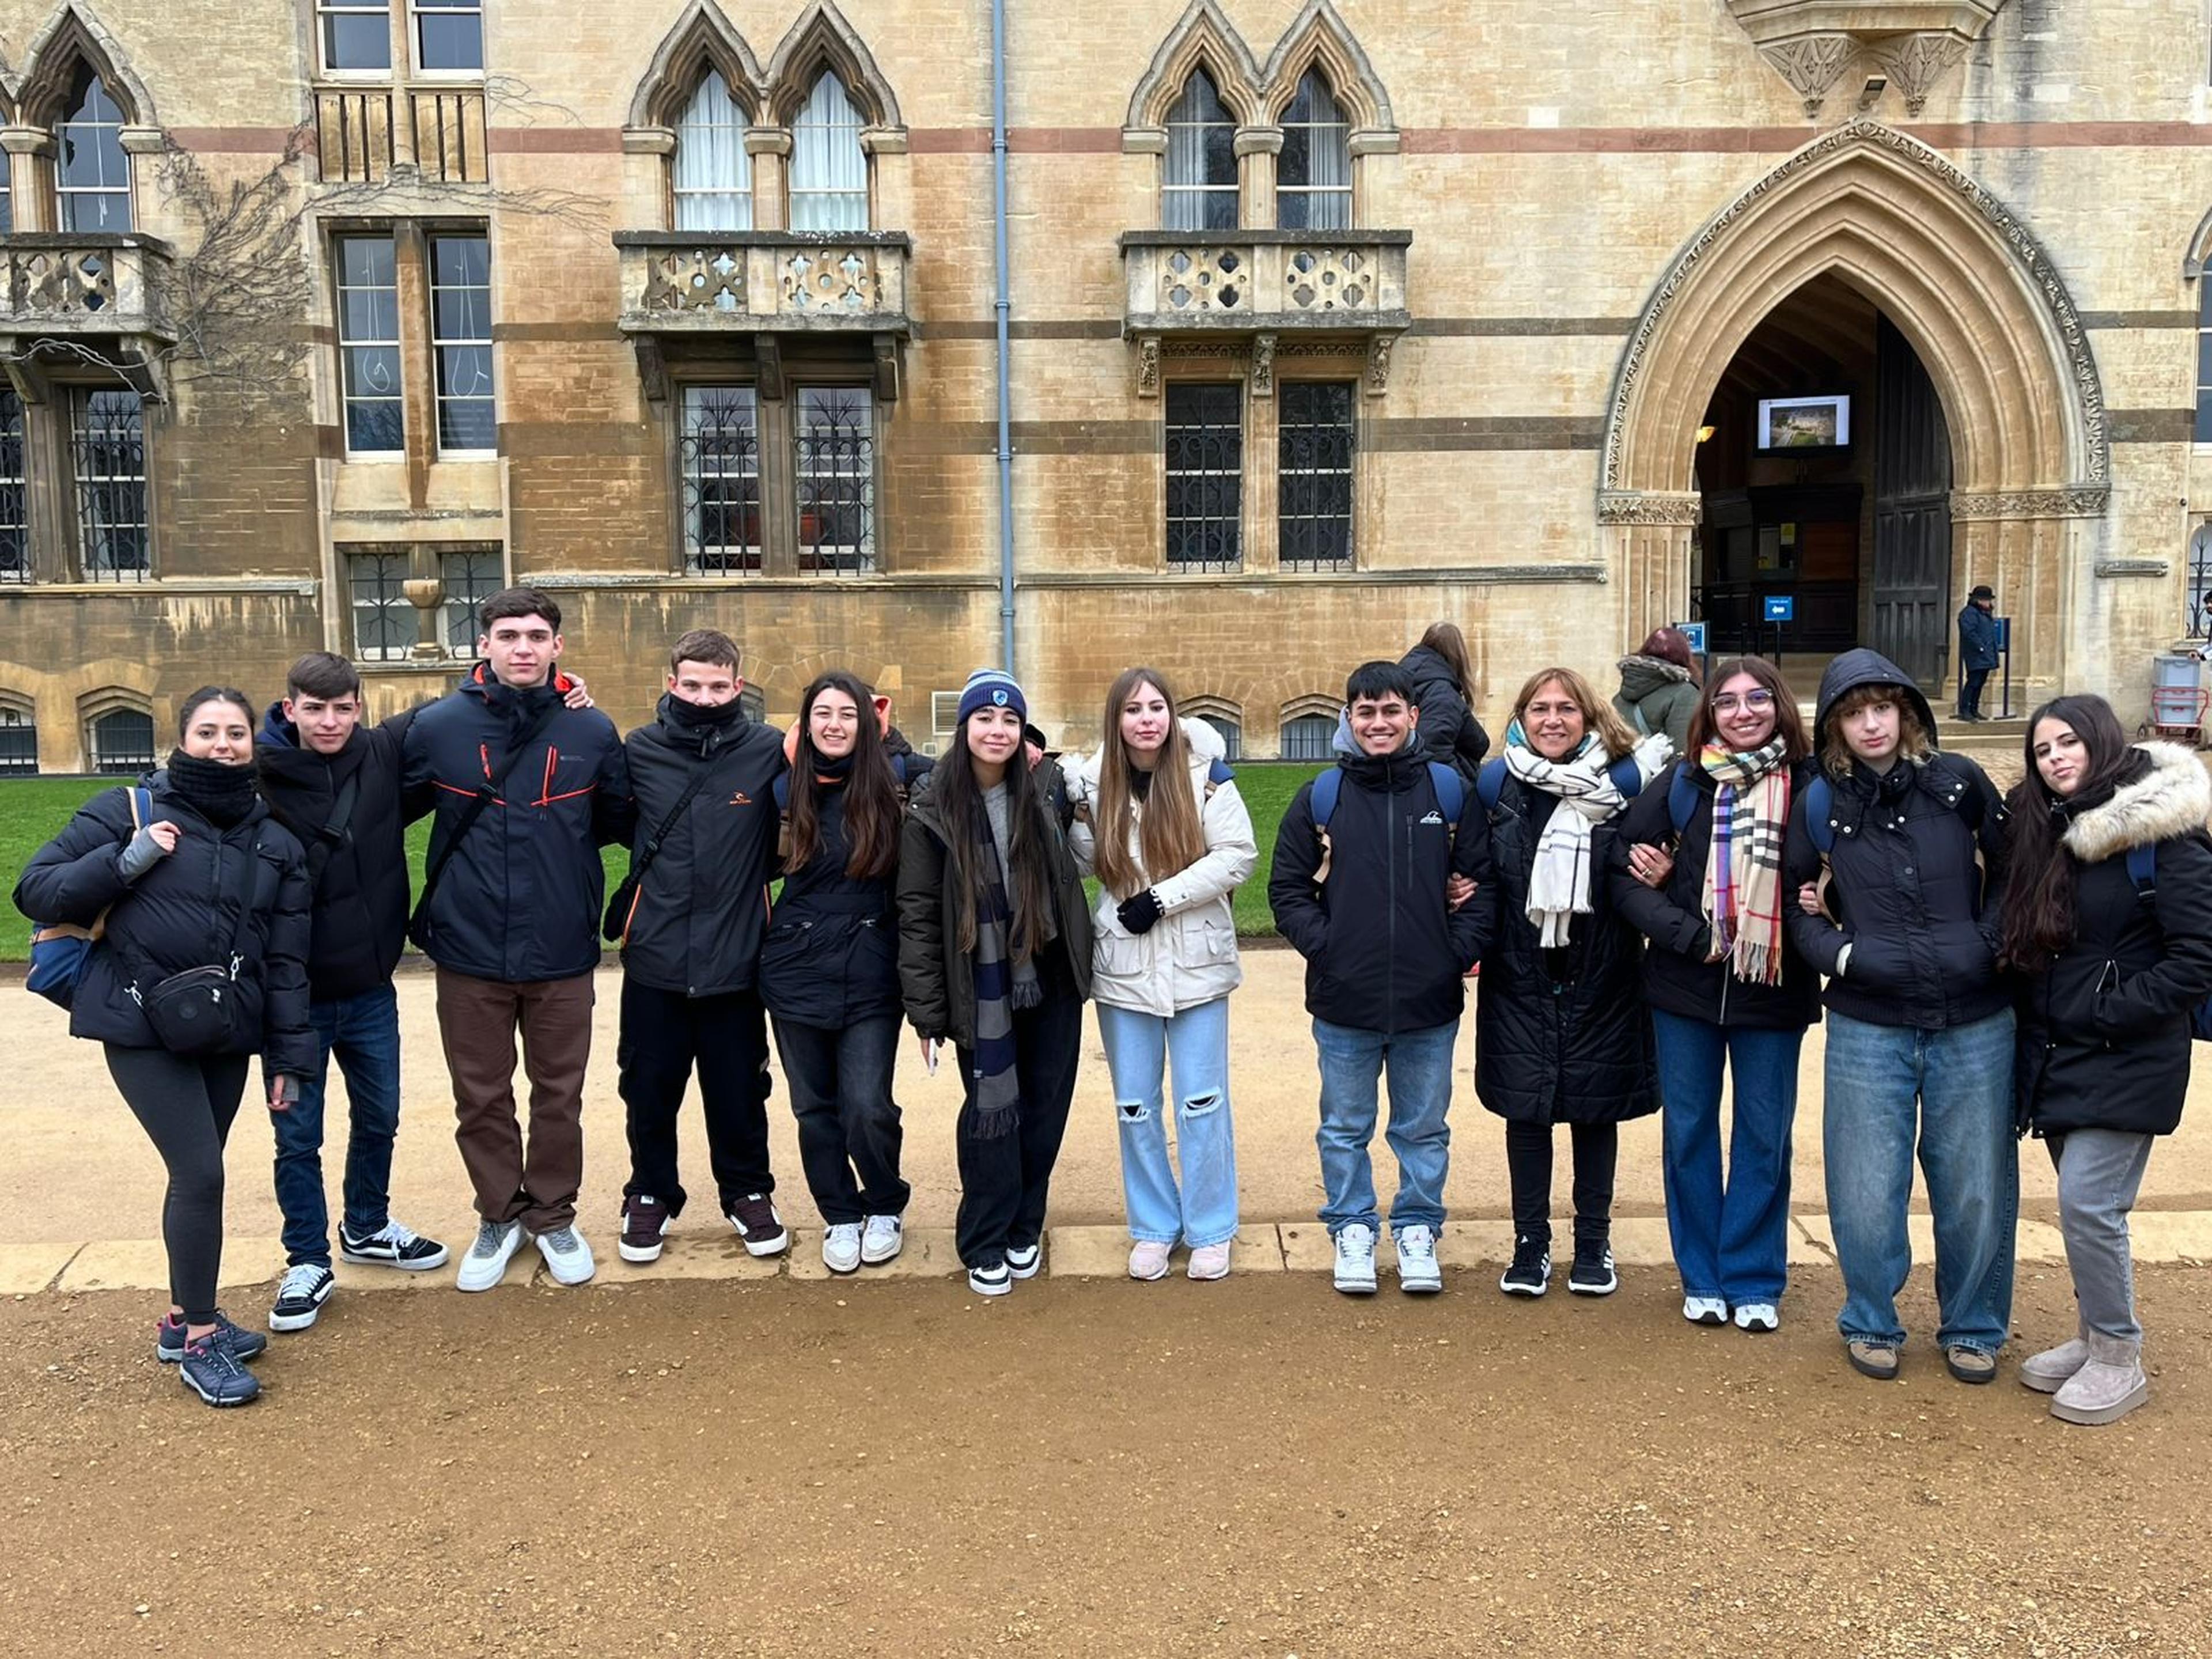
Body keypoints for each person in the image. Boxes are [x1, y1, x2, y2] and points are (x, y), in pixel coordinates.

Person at [15, 688, 314, 1408]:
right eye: (208, 731)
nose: (223, 744)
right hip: (140, 1024)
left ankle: (183, 1319)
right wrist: (126, 862)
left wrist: (290, 1060)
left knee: (197, 1177)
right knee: (202, 1174)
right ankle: (204, 1338)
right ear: (181, 740)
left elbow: (285, 964)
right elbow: (36, 890)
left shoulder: (276, 842)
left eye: (236, 733)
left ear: (254, 743)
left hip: (226, 1031)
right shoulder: (129, 811)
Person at [1784, 647, 2014, 1384]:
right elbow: (1795, 902)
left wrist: (1988, 944)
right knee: (1863, 1182)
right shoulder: (1821, 801)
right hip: (1868, 1019)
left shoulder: (1961, 783)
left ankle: (1974, 1323)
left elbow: (2016, 871)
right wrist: (1843, 957)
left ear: (1907, 714)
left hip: (1973, 1015)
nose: (1871, 724)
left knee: (1975, 1181)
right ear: (1836, 729)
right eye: (1854, 713)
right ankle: (1871, 1317)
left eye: (1883, 708)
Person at [402, 587, 634, 1292]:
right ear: (485, 645)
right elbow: (370, 804)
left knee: (558, 1096)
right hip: (469, 950)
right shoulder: (437, 726)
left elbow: (623, 819)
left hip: (561, 948)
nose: (523, 648)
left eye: (537, 636)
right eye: (509, 636)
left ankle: (554, 1215)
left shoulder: (591, 731)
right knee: (481, 1096)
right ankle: (500, 1214)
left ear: (558, 647)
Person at [2000, 698, 2212, 1425]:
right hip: (2064, 1052)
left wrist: (2103, 1010)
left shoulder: (2166, 837)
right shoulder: (2049, 832)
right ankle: (2094, 1335)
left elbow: (2197, 960)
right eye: (2042, 750)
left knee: (2090, 1205)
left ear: (2101, 742)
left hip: (2129, 1051)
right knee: (2089, 1208)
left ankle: (2119, 1354)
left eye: (2068, 743)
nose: (2055, 758)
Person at [1609, 656, 1820, 1331]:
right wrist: (1686, 930)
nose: (1743, 712)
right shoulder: (1683, 783)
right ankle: (1701, 1273)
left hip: (1774, 988)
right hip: (1686, 988)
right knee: (1691, 1132)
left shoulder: (1814, 788)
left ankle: (1753, 1275)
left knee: (1764, 1136)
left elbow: (1840, 879)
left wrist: (1825, 901)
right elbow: (1620, 868)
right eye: (1727, 703)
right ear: (1710, 714)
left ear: (1780, 705)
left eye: (1757, 699)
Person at [1268, 660, 1491, 1297]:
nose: (1379, 723)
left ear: (1413, 717)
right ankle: (1353, 1226)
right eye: (1365, 712)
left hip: (1429, 996)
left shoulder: (1447, 793)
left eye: (1391, 711)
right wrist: (1329, 947)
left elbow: (1483, 885)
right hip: (1346, 998)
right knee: (1345, 1125)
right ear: (1349, 719)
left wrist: (1455, 951)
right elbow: (1287, 890)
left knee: (1423, 1126)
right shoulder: (1323, 796)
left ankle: (1418, 1226)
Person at [253, 653, 447, 1335]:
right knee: (297, 1137)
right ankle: (306, 1258)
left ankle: (365, 1225)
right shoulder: (256, 775)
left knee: (380, 1117)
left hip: (369, 989)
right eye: (315, 708)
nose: (330, 722)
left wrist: (565, 693)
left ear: (359, 707)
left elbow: (470, 698)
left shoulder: (382, 754)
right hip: (293, 998)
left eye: (342, 708)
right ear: (290, 708)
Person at [897, 669, 1093, 1297]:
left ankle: (1023, 1227)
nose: (998, 730)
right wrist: (928, 1015)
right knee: (991, 1113)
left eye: (1010, 720)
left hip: (1051, 976)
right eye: (985, 718)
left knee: (1044, 1109)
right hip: (981, 987)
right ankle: (984, 1236)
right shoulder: (933, 806)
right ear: (964, 728)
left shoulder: (1047, 788)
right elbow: (918, 915)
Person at [1476, 666, 1670, 1299]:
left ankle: (1593, 1243)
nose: (1552, 720)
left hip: (1604, 969)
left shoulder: (1627, 787)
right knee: (1527, 1112)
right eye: (1539, 709)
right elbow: (1478, 871)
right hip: (1521, 971)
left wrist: (1661, 871)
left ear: (1588, 716)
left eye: (1565, 708)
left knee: (1594, 1111)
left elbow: (1657, 860)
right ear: (1520, 718)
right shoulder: (1497, 785)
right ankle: (1530, 1244)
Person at [1067, 668, 1257, 1282]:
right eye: (1133, 709)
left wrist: (1163, 899)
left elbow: (1238, 855)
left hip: (1197, 962)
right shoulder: (1095, 785)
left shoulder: (1206, 775)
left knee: (1202, 1102)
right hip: (1124, 967)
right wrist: (1069, 807)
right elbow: (1083, 859)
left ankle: (1210, 1226)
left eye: (1156, 707)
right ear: (1115, 721)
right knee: (1134, 1106)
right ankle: (1153, 1225)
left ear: (1172, 716)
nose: (1146, 719)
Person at [612, 629, 790, 1266]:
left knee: (739, 1089)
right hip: (656, 957)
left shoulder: (769, 748)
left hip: (737, 959)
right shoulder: (640, 750)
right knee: (648, 1088)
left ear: (738, 688)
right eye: (693, 685)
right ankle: (650, 1193)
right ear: (672, 684)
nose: (706, 697)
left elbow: (843, 762)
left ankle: (747, 1191)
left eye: (719, 687)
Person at [760, 671, 910, 1275]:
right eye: (823, 713)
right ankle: (840, 1214)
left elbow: (974, 767)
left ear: (867, 722)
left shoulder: (900, 782)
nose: (834, 725)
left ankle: (883, 1203)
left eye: (847, 714)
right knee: (813, 1107)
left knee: (868, 1104)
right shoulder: (780, 792)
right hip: (796, 969)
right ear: (805, 722)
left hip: (871, 966)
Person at [1400, 622, 1490, 781]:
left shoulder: (1408, 673)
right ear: (1458, 653)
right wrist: (1466, 794)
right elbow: (1434, 751)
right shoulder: (1441, 692)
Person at [1612, 627, 1702, 754]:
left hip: (1624, 771)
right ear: (1684, 654)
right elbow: (1683, 750)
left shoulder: (1620, 696)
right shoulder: (1685, 694)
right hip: (1661, 772)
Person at [1957, 584, 2000, 722]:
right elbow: (1969, 633)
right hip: (1976, 654)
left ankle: (1974, 709)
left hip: (1985, 655)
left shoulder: (1985, 615)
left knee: (1980, 683)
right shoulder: (1969, 613)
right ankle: (1965, 710)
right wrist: (1981, 647)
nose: (1989, 603)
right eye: (1986, 600)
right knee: (1973, 682)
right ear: (1979, 600)